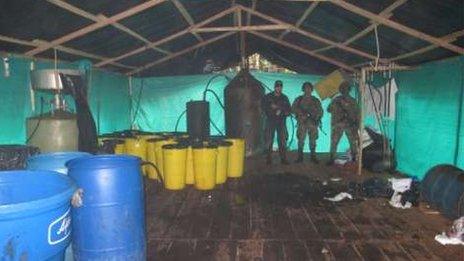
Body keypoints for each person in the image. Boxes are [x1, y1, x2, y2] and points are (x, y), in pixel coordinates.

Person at [327, 81, 360, 165]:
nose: (344, 90)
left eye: (346, 88)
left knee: (353, 143)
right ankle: (331, 159)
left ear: (349, 90)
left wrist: (357, 125)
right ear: (340, 90)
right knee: (334, 142)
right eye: (343, 89)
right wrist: (333, 101)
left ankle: (354, 159)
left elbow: (357, 113)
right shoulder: (336, 99)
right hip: (338, 124)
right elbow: (329, 109)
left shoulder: (353, 101)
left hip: (350, 125)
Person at [292, 82, 323, 163]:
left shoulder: (315, 100)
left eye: (309, 88)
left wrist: (316, 117)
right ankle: (300, 157)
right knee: (301, 140)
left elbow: (320, 111)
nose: (307, 89)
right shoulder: (299, 99)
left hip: (312, 124)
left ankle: (313, 157)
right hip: (302, 123)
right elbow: (293, 109)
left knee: (313, 140)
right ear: (303, 89)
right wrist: (301, 113)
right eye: (306, 88)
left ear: (311, 89)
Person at [263, 80, 291, 165]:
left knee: (282, 140)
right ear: (274, 87)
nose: (279, 88)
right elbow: (263, 107)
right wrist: (271, 110)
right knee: (268, 139)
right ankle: (268, 158)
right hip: (270, 120)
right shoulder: (268, 97)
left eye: (280, 86)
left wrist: (280, 110)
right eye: (277, 86)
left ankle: (283, 158)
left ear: (282, 87)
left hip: (281, 121)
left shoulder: (284, 98)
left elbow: (289, 110)